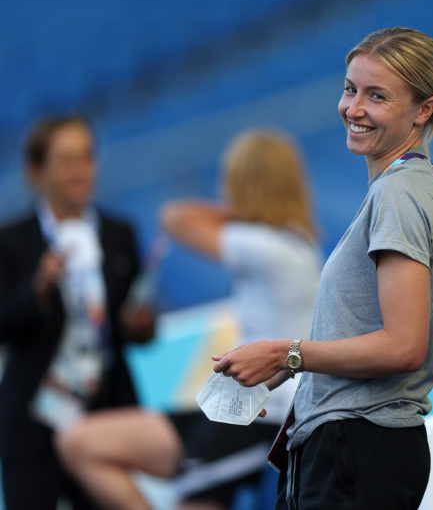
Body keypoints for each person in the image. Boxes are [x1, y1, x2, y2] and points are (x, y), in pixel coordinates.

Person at [211, 27, 433, 509]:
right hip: (352, 446)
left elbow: (403, 346)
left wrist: (286, 355)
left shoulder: (401, 191)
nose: (354, 108)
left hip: (357, 447)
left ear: (425, 109)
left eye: (377, 96)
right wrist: (295, 369)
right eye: (351, 89)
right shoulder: (405, 186)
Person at [56, 131, 322, 510]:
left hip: (262, 419)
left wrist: (242, 209)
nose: (221, 191)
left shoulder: (266, 246)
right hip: (232, 410)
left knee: (82, 444)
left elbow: (174, 218)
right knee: (79, 442)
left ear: (249, 187)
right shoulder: (295, 243)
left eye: (230, 183)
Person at [0, 115, 155, 510]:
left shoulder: (119, 233)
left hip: (106, 412)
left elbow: (134, 330)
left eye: (87, 157)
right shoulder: (12, 241)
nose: (80, 170)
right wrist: (38, 286)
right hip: (34, 421)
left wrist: (139, 324)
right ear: (38, 170)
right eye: (66, 160)